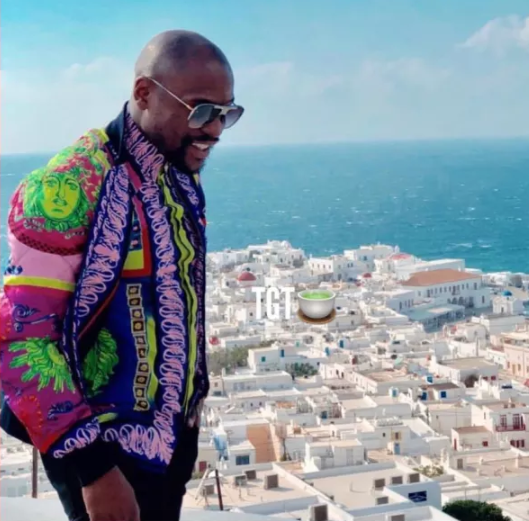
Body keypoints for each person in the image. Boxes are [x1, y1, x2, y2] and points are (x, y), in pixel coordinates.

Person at [0, 30, 244, 521]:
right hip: (98, 448)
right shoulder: (66, 187)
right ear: (144, 93)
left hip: (169, 440)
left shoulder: (177, 174)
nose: (216, 129)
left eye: (227, 112)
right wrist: (94, 471)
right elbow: (22, 340)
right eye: (201, 110)